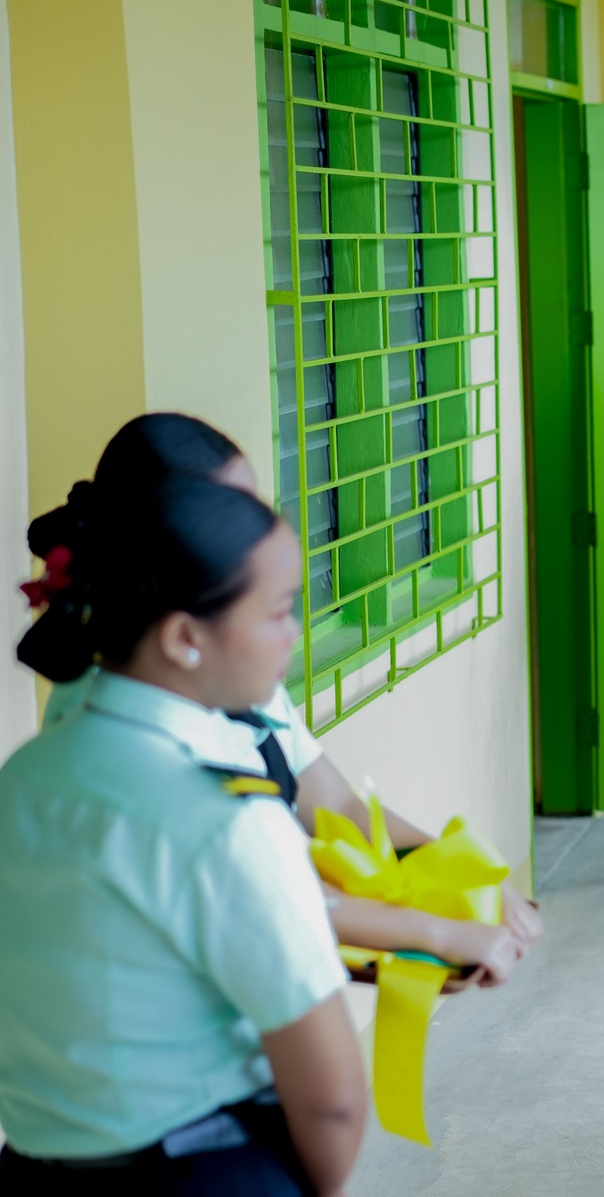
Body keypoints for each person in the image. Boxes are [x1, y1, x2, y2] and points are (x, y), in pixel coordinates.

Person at [34, 414, 543, 981]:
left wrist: (467, 881)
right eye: (231, 516)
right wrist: (431, 932)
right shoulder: (117, 736)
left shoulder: (228, 672)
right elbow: (268, 894)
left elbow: (339, 812)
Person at [0, 476, 364, 1196]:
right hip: (204, 1172)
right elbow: (333, 1098)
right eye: (279, 612)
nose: (294, 634)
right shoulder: (225, 813)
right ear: (184, 638)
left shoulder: (26, 774)